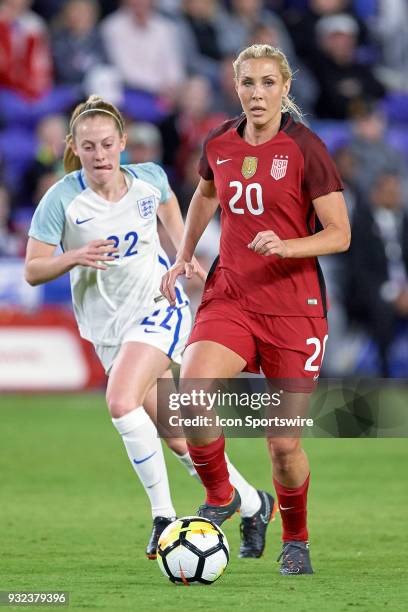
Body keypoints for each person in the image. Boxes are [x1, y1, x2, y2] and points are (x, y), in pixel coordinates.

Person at [24, 95, 277, 561]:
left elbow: (170, 210)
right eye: (89, 147)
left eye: (107, 144)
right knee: (177, 436)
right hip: (108, 328)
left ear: (122, 142)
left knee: (120, 403)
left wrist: (183, 257)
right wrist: (73, 256)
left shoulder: (148, 178)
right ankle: (254, 503)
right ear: (75, 149)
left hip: (157, 307)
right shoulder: (60, 200)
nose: (100, 155)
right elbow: (33, 270)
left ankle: (163, 517)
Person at [161, 44, 351, 575]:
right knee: (188, 395)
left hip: (295, 309)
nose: (258, 93)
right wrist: (183, 255)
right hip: (233, 296)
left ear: (286, 88)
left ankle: (296, 539)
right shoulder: (219, 141)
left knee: (283, 446)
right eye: (248, 83)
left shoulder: (307, 148)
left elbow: (340, 234)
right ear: (235, 85)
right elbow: (204, 195)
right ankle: (221, 494)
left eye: (269, 83)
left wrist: (288, 246)